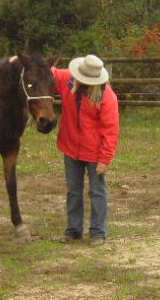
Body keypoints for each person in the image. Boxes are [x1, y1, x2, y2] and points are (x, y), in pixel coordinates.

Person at [51, 54, 120, 245]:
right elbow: (49, 72)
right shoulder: (67, 79)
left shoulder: (107, 96)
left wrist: (104, 159)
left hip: (94, 152)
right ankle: (73, 230)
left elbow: (111, 129)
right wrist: (20, 61)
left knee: (97, 191)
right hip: (70, 146)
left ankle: (98, 231)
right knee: (73, 190)